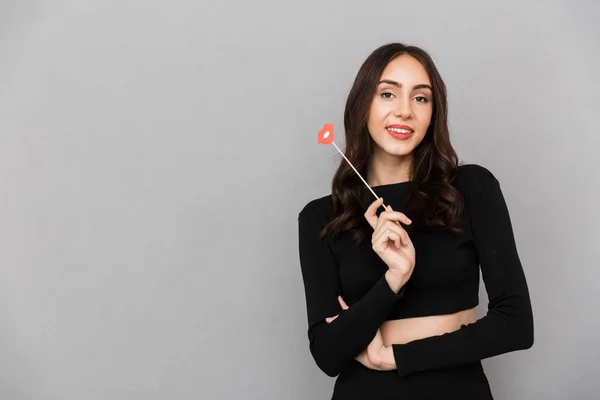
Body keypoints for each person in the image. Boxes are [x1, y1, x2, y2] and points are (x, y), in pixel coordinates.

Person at [297, 43, 534, 399]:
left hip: (457, 389)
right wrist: (394, 279)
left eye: (421, 98)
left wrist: (396, 356)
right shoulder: (321, 217)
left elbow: (516, 324)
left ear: (434, 113)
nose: (405, 111)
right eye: (388, 94)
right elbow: (328, 354)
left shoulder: (470, 188)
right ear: (363, 105)